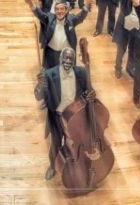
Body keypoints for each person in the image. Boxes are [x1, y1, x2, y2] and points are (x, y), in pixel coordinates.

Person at [34, 47, 91, 181]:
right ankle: (52, 166)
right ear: (60, 59)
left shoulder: (81, 72)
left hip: (75, 116)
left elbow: (89, 90)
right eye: (65, 58)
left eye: (71, 59)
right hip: (57, 116)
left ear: (74, 60)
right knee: (55, 143)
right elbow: (38, 96)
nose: (68, 61)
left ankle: (79, 163)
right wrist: (40, 85)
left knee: (78, 142)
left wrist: (91, 95)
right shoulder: (49, 75)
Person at [28, 0, 91, 69]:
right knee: (50, 73)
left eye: (62, 9)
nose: (59, 11)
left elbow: (80, 17)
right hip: (50, 55)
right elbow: (40, 14)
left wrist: (86, 5)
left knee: (66, 73)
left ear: (66, 10)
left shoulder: (71, 19)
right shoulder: (49, 18)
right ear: (54, 11)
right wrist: (30, 3)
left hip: (66, 55)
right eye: (57, 9)